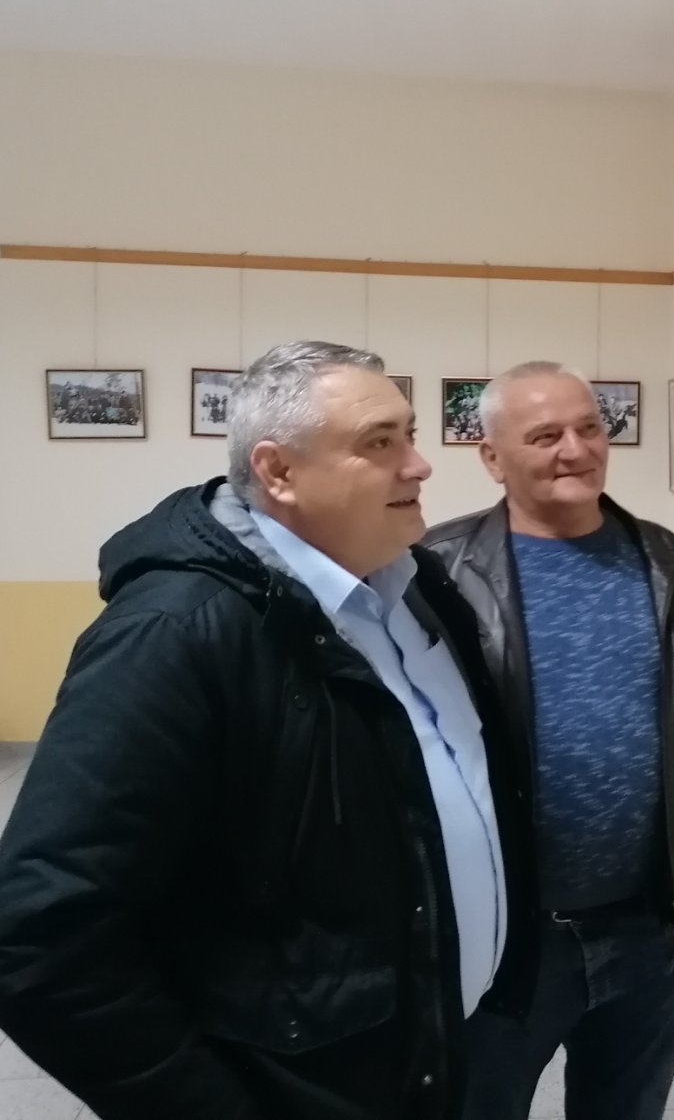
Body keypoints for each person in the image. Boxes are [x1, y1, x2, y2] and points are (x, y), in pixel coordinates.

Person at [0, 341, 532, 1120]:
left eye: (410, 433)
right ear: (279, 473)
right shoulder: (175, 633)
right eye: (379, 442)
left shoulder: (416, 585)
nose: (419, 465)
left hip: (435, 1051)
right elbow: (40, 936)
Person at [424, 361, 674, 1120]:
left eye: (589, 427)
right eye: (545, 435)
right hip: (503, 944)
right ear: (493, 457)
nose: (576, 448)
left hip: (651, 938)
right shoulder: (437, 572)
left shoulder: (672, 567)